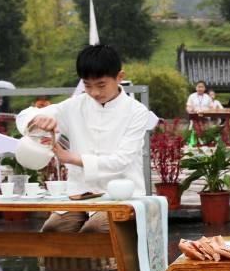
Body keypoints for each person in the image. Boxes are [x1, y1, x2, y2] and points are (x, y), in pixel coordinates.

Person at [16, 44, 151, 234]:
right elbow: (24, 116)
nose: (94, 92)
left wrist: (71, 158)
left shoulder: (136, 111)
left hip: (122, 196)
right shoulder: (75, 105)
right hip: (80, 193)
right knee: (53, 229)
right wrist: (39, 118)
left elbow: (121, 161)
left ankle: (114, 254)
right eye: (87, 85)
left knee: (95, 229)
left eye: (101, 85)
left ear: (119, 77)